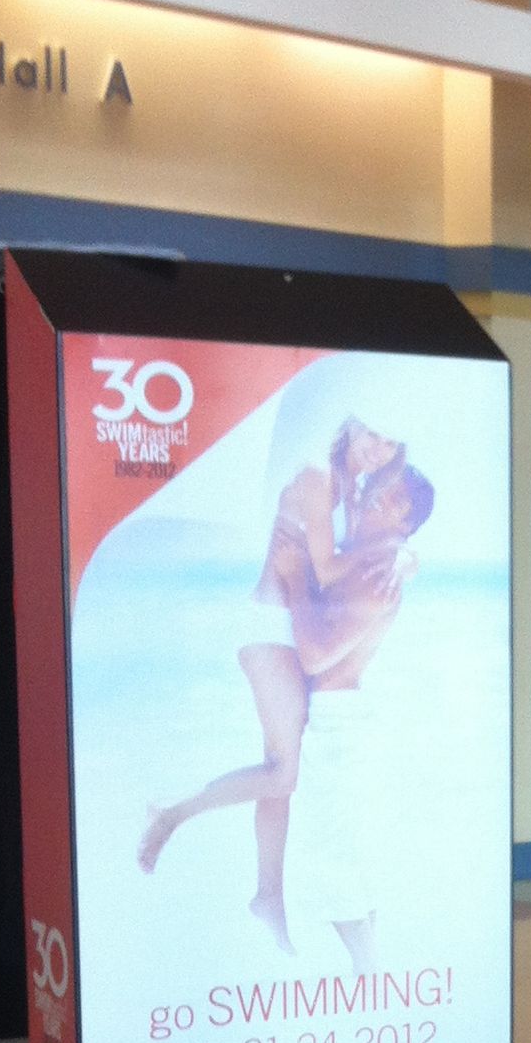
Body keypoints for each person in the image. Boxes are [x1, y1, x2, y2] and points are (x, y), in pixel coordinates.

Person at [138, 416, 406, 947]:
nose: (378, 447)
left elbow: (339, 572)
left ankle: (270, 898)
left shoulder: (352, 491)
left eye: (390, 440)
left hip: (293, 626)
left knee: (278, 773)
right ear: (350, 427)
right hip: (270, 625)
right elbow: (328, 571)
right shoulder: (317, 476)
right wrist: (393, 552)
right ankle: (175, 812)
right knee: (283, 774)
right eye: (373, 433)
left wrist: (401, 554)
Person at [277, 458, 434, 978]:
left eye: (397, 501)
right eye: (384, 487)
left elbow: (316, 657)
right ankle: (371, 981)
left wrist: (296, 583)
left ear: (405, 523)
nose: (379, 498)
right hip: (339, 719)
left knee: (333, 863)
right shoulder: (365, 556)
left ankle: (373, 978)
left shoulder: (374, 571)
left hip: (338, 721)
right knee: (343, 858)